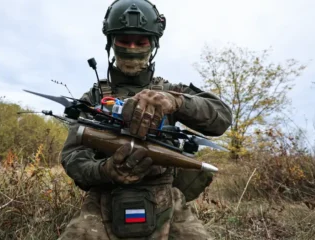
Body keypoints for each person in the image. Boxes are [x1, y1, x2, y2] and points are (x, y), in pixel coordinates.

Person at [58, 0, 232, 239]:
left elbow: (221, 118)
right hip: (102, 201)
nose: (131, 48)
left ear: (153, 44)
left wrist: (177, 101)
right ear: (111, 42)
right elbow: (72, 156)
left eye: (140, 42)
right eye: (123, 40)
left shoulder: (172, 90)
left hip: (168, 201)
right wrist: (105, 170)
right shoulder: (93, 99)